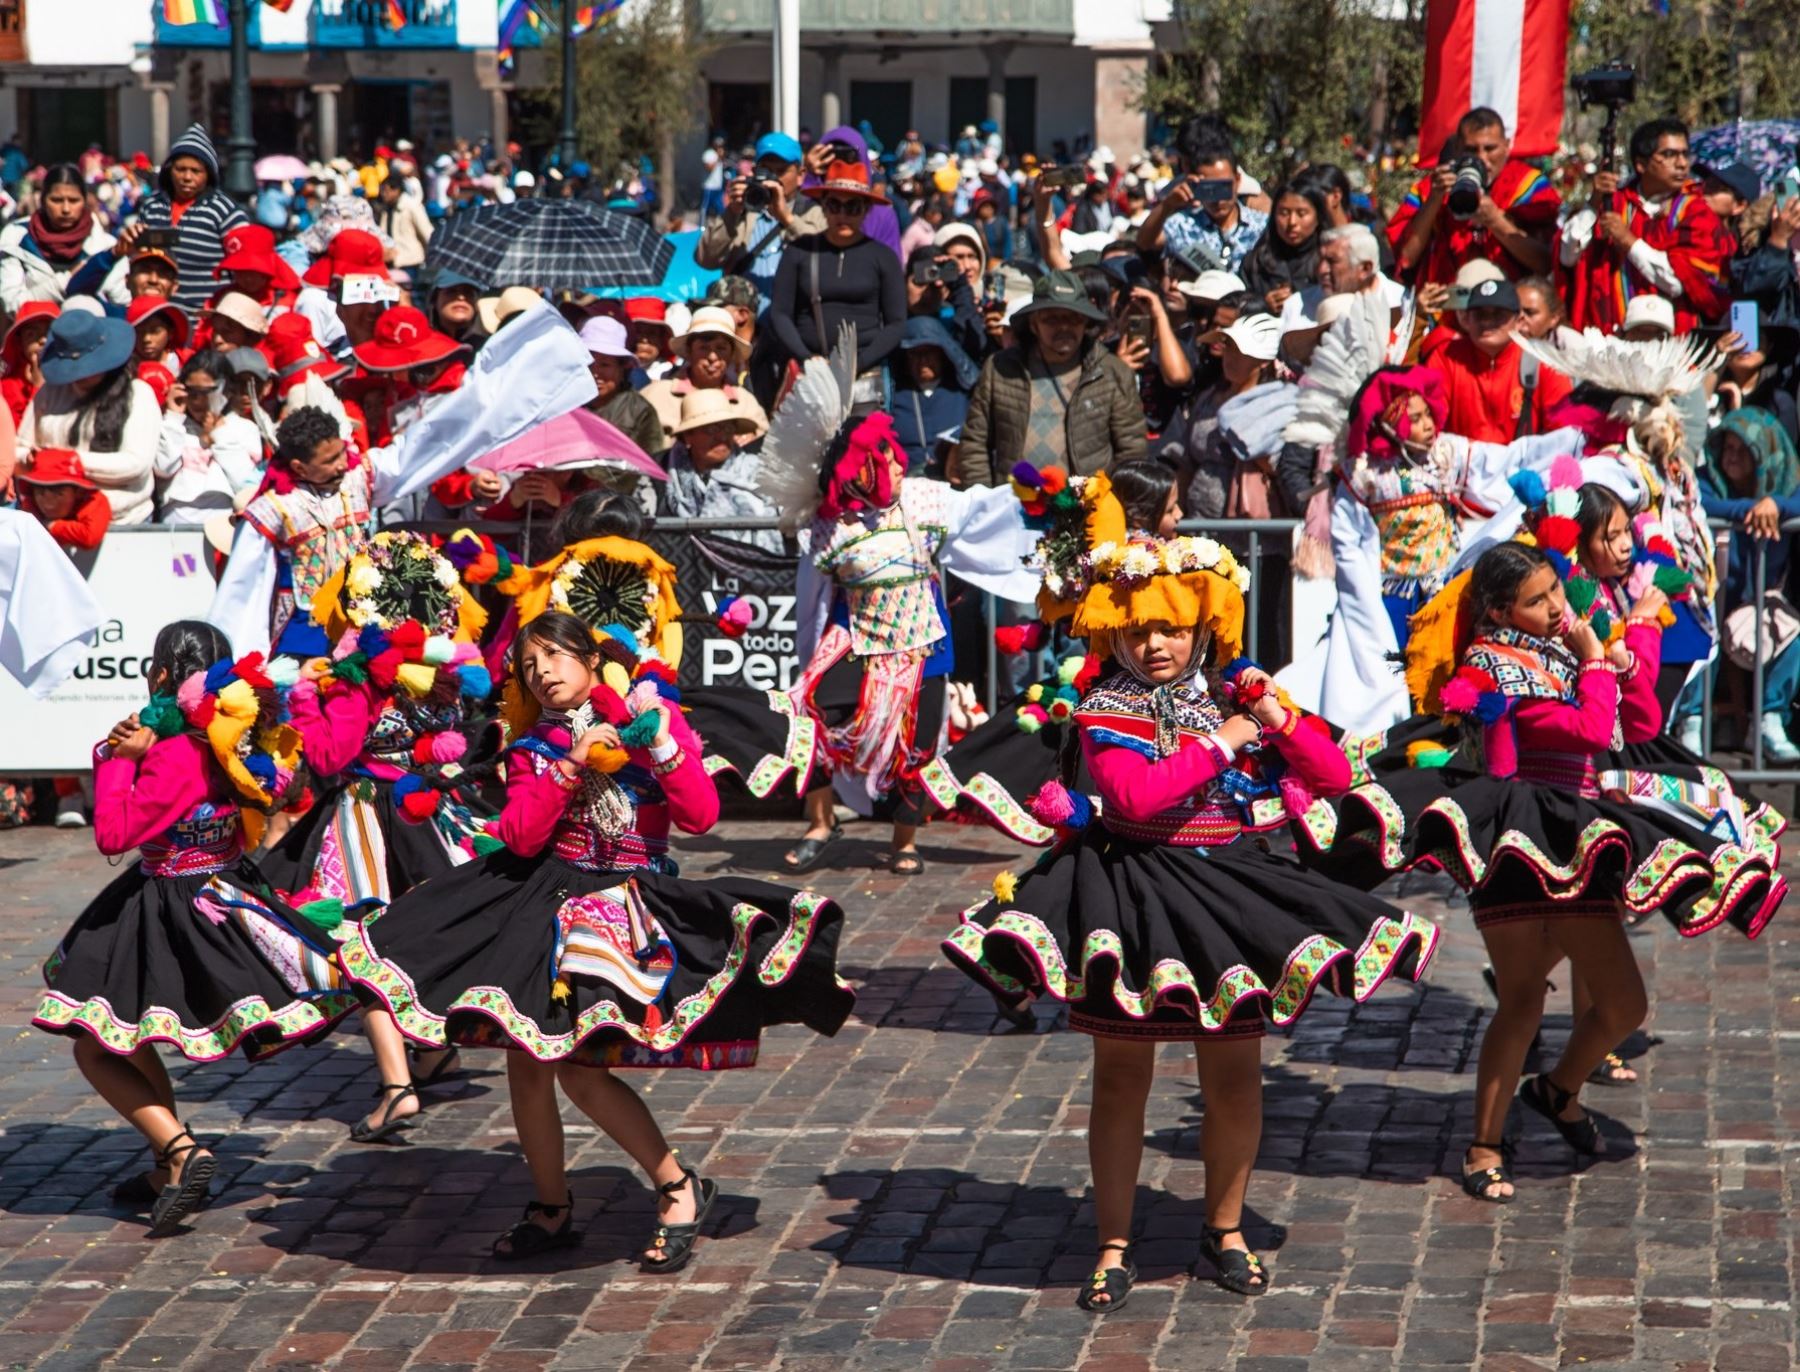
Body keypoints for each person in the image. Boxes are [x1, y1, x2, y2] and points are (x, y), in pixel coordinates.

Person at [941, 473, 1439, 1303]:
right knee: (1121, 1078)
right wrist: (1226, 741)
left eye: (1173, 626)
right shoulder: (1103, 707)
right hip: (1130, 892)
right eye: (1140, 629)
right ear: (1115, 633)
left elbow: (1329, 773)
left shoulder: (1232, 696)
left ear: (1205, 623)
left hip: (1230, 890)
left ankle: (1226, 1226)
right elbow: (1134, 798)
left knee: (1233, 1076)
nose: (1157, 644)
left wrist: (1277, 717)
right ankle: (1111, 1242)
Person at [334, 608, 853, 1265]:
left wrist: (660, 741)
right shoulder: (532, 748)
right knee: (527, 1065)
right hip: (546, 906)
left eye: (554, 656)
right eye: (528, 666)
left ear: (588, 658)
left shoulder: (648, 722)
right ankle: (551, 1208)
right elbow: (521, 836)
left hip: (625, 910)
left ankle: (676, 1185)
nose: (543, 672)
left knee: (581, 1072)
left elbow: (700, 815)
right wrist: (572, 762)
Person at [1298, 542, 1783, 1202]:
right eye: (1538, 600)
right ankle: (1484, 1145)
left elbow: (1634, 723)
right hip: (1520, 837)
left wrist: (1621, 654)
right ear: (1501, 610)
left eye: (1556, 590)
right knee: (1523, 998)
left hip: (1582, 831)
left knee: (1625, 1005)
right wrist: (1592, 662)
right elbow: (1586, 728)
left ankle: (1556, 1090)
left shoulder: (1562, 648)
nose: (1558, 606)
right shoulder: (1491, 666)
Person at [30, 621, 357, 1237]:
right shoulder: (235, 741)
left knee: (96, 1045)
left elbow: (113, 835)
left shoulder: (175, 752)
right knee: (132, 1035)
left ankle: (181, 1151)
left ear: (159, 677)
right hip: (227, 888)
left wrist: (116, 760)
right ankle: (164, 1165)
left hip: (172, 905)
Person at [254, 531, 496, 1141]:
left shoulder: (364, 676)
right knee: (424, 930)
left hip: (370, 815)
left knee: (363, 942)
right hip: (430, 809)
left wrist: (306, 695)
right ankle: (437, 1053)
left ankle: (395, 1087)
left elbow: (334, 757)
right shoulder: (447, 669)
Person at [208, 297, 597, 658]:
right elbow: (243, 593)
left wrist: (499, 393)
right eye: (328, 462)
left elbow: (434, 441)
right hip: (301, 631)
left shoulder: (361, 475)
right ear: (299, 468)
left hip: (364, 622)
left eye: (342, 453)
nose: (342, 465)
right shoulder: (273, 510)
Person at [955, 269, 1146, 484]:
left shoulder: (1112, 372)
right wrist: (988, 502)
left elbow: (1132, 450)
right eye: (1052, 319)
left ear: (1086, 323)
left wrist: (1107, 504)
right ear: (1034, 324)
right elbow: (974, 444)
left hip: (1088, 509)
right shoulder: (1000, 368)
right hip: (1013, 506)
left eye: (1073, 318)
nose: (1064, 326)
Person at [1558, 117, 1733, 335]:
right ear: (1641, 164)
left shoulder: (1697, 212)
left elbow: (1680, 282)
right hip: (1610, 339)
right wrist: (1594, 201)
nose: (1682, 163)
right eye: (1669, 155)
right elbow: (1568, 256)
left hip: (1672, 344)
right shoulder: (1612, 203)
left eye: (1685, 154)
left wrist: (1628, 241)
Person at [1700, 408, 1800, 761]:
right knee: (1700, 634)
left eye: (1742, 449)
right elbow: (1701, 500)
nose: (1731, 456)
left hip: (1763, 601)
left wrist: (1777, 504)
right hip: (1715, 596)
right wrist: (1752, 509)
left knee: (1793, 636)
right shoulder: (1709, 478)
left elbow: (1797, 499)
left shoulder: (1785, 482)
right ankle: (1692, 723)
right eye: (1727, 446)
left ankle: (1770, 719)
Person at [19, 311, 161, 527]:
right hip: (53, 521)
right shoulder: (49, 393)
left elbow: (137, 463)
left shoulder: (138, 394)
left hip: (123, 521)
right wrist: (31, 459)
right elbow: (19, 445)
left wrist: (72, 461)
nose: (83, 375)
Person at [1388, 108, 1559, 286]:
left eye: (1490, 148)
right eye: (1471, 149)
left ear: (1506, 146)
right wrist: (1434, 200)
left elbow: (1546, 263)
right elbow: (1406, 258)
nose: (1482, 158)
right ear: (1458, 148)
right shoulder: (1433, 187)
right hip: (1445, 305)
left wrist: (1495, 220)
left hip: (1509, 306)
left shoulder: (1529, 185)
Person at [768, 160, 906, 378]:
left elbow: (896, 323)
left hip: (865, 374)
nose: (842, 215)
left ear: (866, 210)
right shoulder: (799, 251)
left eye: (852, 207)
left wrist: (857, 364)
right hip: (810, 372)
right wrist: (807, 358)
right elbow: (780, 313)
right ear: (823, 207)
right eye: (834, 205)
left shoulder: (883, 257)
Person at [1427, 278, 1574, 443]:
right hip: (1459, 463)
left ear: (1519, 321)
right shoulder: (1446, 356)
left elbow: (1564, 433)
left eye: (1498, 314)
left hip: (1526, 465)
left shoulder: (1543, 362)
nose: (1488, 321)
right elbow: (1428, 421)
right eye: (1480, 314)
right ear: (1466, 319)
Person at [124, 125, 249, 315]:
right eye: (180, 169)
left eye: (195, 171)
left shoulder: (224, 211)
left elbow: (243, 262)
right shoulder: (152, 206)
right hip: (159, 316)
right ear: (169, 170)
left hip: (206, 317)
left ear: (208, 174)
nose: (187, 177)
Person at [695, 132, 827, 303]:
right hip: (746, 323)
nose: (773, 178)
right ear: (755, 171)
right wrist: (731, 213)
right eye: (767, 170)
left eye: (781, 171)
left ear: (801, 175)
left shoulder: (815, 212)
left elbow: (825, 260)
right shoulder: (743, 213)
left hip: (793, 322)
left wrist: (786, 218)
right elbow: (706, 259)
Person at [659, 390, 782, 554]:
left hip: (757, 569)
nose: (721, 436)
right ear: (689, 436)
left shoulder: (760, 471)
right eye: (710, 430)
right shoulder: (662, 476)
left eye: (727, 428)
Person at [153, 349, 265, 525]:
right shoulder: (172, 425)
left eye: (206, 393)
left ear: (226, 391)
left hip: (225, 522)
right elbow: (163, 468)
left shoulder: (244, 429)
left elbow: (245, 483)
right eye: (192, 392)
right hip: (175, 524)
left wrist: (219, 436)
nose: (197, 401)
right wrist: (173, 419)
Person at [1137, 124, 1267, 273]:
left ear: (1237, 180)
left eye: (1223, 187)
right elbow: (1144, 243)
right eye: (1209, 188)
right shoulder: (1182, 225)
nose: (1218, 199)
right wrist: (1167, 205)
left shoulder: (1262, 226)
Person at [641, 306, 769, 452]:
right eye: (703, 348)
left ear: (731, 354)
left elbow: (765, 447)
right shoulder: (656, 397)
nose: (712, 357)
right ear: (689, 351)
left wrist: (751, 438)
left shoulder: (747, 404)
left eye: (721, 349)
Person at [0, 162, 116, 312]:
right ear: (42, 200)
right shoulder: (15, 238)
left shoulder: (105, 246)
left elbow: (118, 303)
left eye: (74, 200)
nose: (66, 209)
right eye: (56, 200)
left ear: (84, 201)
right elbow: (12, 304)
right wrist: (65, 283)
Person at [889, 316, 976, 475]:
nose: (923, 361)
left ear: (943, 353)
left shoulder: (963, 394)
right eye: (914, 354)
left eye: (929, 352)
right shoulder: (894, 396)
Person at [579, 316, 665, 459]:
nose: (595, 373)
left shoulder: (640, 412)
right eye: (588, 363)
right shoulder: (563, 404)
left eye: (605, 365)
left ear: (622, 368)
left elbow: (650, 462)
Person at [1240, 180, 1327, 317]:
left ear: (1318, 216)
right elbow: (1237, 306)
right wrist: (1262, 304)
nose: (1292, 222)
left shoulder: (1327, 262)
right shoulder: (1256, 262)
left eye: (1301, 213)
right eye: (1284, 213)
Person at [15, 448, 110, 553]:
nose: (48, 499)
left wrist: (52, 525)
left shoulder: (94, 500)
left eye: (57, 491)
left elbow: (89, 536)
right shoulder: (30, 501)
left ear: (78, 491)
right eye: (40, 489)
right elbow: (26, 532)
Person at [0, 301, 58, 427]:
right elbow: (16, 434)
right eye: (31, 334)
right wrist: (38, 389)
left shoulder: (72, 375)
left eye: (49, 333)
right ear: (20, 344)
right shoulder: (9, 387)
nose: (43, 340)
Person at [372, 173, 432, 276]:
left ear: (397, 190)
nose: (383, 194)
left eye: (386, 191)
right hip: (391, 262)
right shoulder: (386, 209)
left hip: (410, 262)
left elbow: (427, 232)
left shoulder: (412, 206)